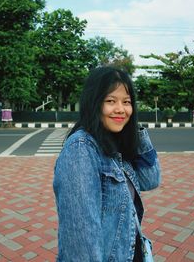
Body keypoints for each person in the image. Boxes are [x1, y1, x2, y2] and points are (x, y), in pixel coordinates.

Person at [53, 66, 161, 261]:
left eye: (127, 102)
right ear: (94, 103)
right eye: (111, 101)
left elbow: (151, 179)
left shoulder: (115, 142)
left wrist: (135, 129)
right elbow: (81, 242)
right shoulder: (81, 150)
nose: (120, 109)